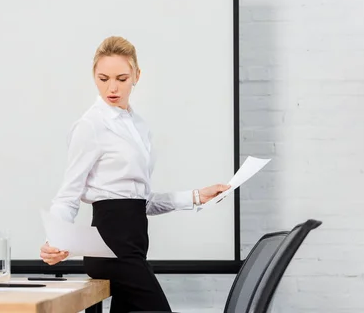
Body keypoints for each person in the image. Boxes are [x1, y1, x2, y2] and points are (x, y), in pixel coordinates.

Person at [40, 36, 230, 313]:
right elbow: (69, 194)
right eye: (103, 78)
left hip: (134, 247)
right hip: (110, 249)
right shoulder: (90, 126)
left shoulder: (138, 126)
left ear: (136, 76)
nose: (112, 87)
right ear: (94, 76)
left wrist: (197, 196)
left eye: (121, 78)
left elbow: (140, 199)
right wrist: (56, 238)